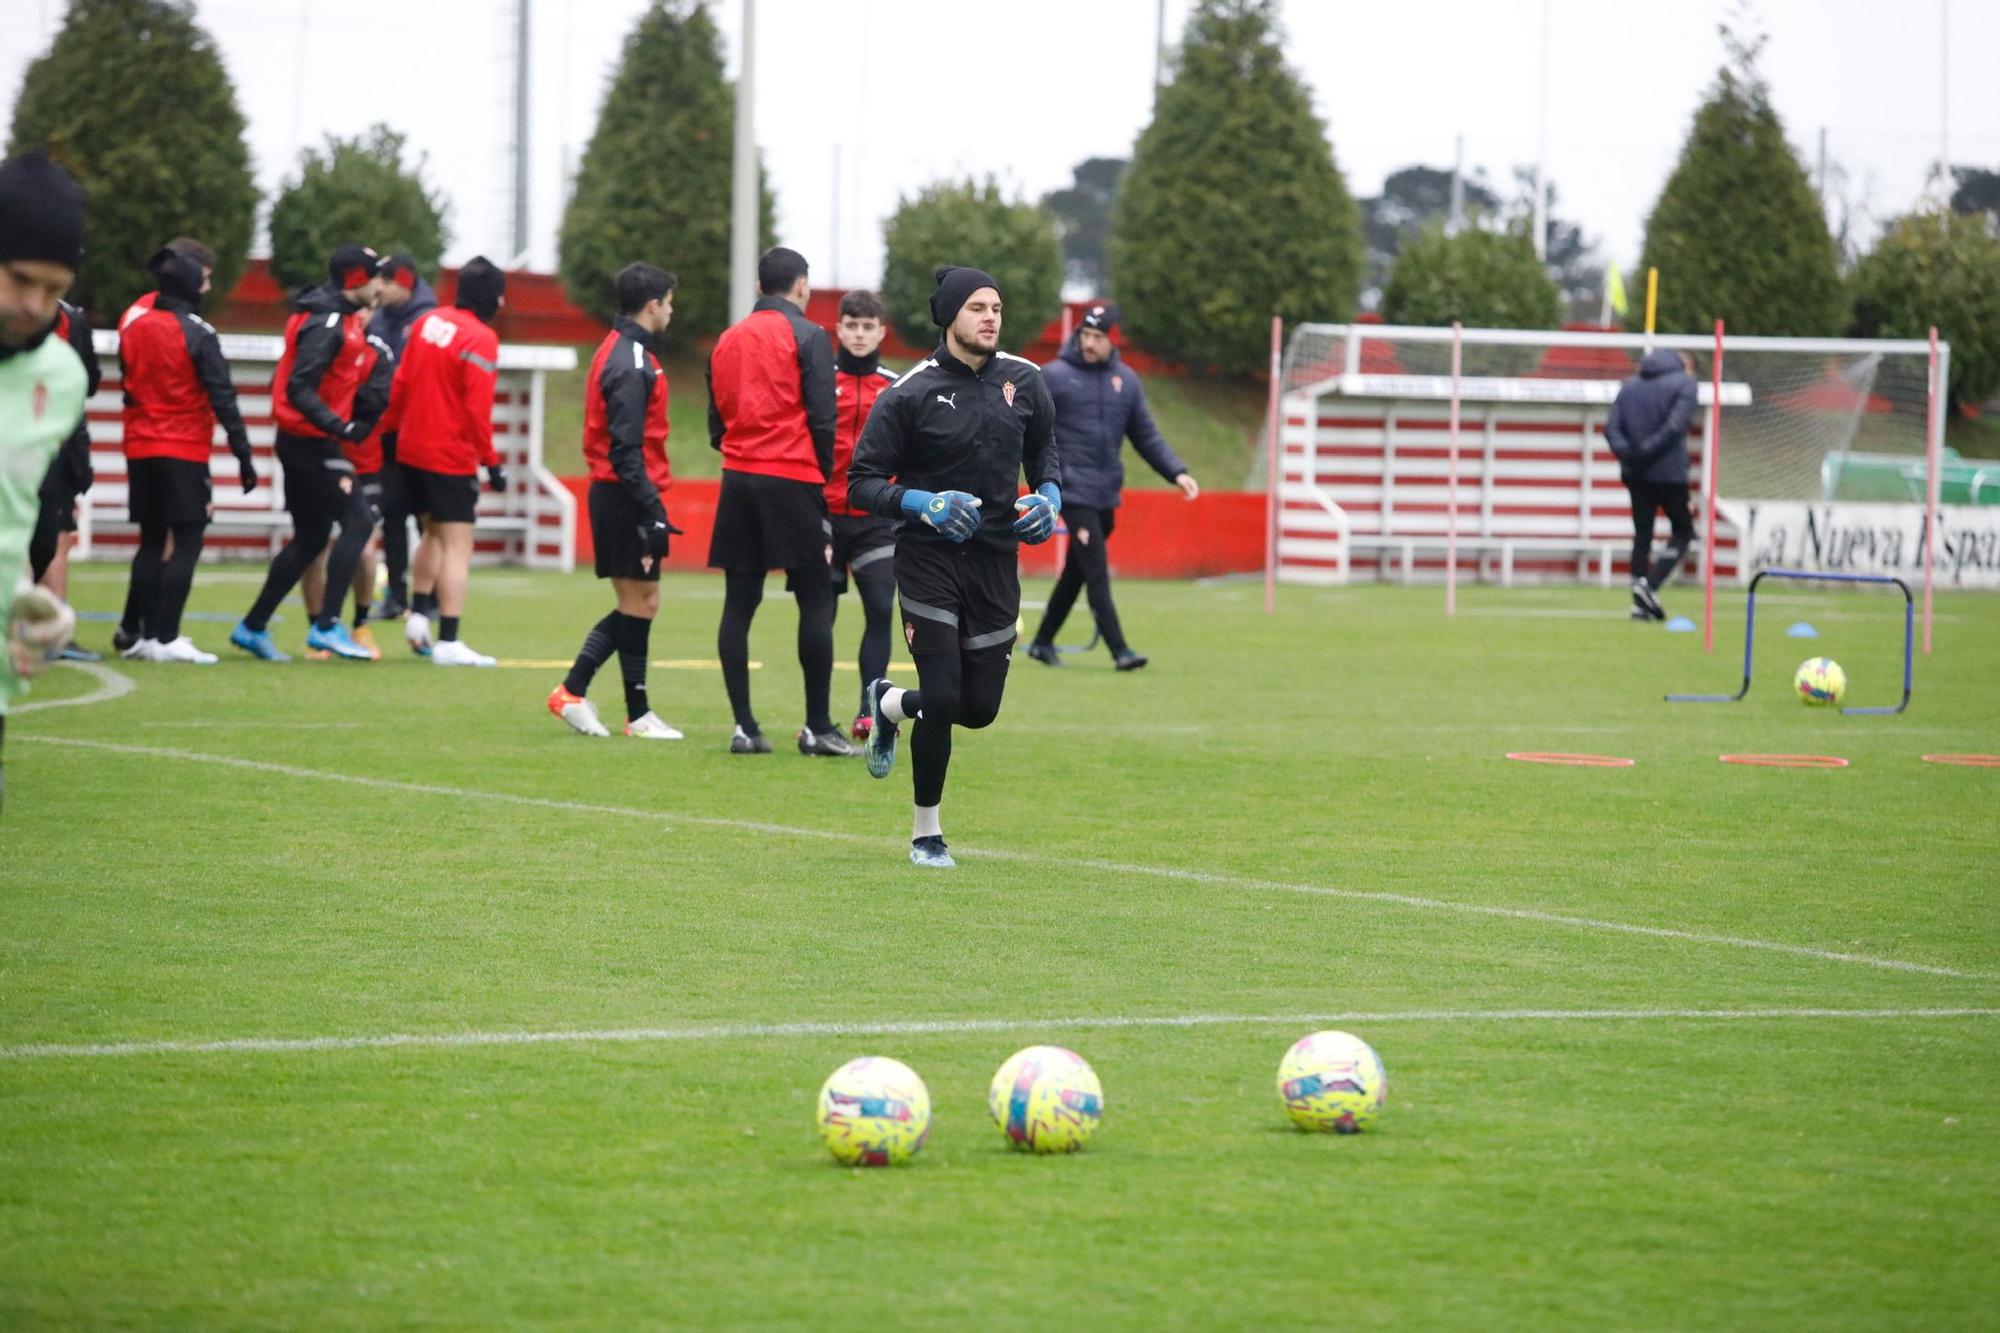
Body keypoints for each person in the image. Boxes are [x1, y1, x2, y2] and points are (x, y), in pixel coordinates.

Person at [847, 265, 1060, 868]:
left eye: (996, 307)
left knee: (979, 709)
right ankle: (926, 833)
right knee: (942, 695)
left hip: (996, 564)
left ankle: (888, 702)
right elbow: (862, 484)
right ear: (948, 317)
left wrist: (1049, 500)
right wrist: (925, 505)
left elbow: (1046, 454)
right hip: (927, 561)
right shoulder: (907, 393)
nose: (991, 317)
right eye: (977, 308)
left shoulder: (1027, 381)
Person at [705, 246, 844, 756]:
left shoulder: (727, 339)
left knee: (739, 604)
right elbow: (823, 416)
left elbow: (716, 418)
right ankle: (817, 727)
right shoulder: (809, 335)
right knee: (815, 597)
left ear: (761, 285)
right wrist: (820, 478)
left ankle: (745, 727)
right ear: (802, 285)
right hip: (792, 475)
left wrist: (739, 446)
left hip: (738, 476)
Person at [548, 262, 685, 740]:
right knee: (638, 601)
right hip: (624, 493)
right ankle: (592, 698)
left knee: (642, 601)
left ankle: (622, 707)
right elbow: (625, 449)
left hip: (622, 491)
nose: (672, 309)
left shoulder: (625, 350)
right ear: (653, 305)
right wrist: (652, 506)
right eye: (669, 301)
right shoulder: (631, 360)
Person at [230, 244, 385, 662]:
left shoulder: (340, 318)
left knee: (313, 536)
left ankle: (253, 626)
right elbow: (300, 388)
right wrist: (341, 427)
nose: (380, 284)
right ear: (356, 279)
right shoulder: (329, 321)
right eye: (375, 275)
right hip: (311, 442)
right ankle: (328, 626)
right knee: (359, 520)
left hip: (307, 439)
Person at [1025, 302, 1198, 671]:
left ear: (1112, 340)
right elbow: (1026, 428)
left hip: (1105, 493)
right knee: (1097, 570)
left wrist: (1176, 472)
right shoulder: (1053, 376)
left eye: (1098, 337)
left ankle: (1041, 642)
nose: (1089, 343)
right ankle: (1120, 650)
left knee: (1077, 571)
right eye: (1085, 335)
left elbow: (1146, 436)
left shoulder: (1127, 381)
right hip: (1071, 490)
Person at [114, 245, 258, 662]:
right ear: (192, 284)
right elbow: (223, 396)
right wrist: (244, 457)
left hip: (140, 445)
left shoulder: (135, 325)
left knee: (151, 540)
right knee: (189, 538)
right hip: (183, 448)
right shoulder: (198, 332)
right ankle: (167, 636)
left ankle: (141, 635)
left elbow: (127, 378)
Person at [0, 152, 91, 807]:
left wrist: (20, 598)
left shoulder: (62, 376)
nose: (34, 304)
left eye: (54, 289)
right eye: (19, 279)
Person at [385, 256, 507, 667]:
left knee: (431, 535)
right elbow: (477, 409)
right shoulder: (481, 338)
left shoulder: (426, 322)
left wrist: (390, 433)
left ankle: (418, 616)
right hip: (449, 455)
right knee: (457, 544)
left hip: (411, 450)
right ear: (492, 296)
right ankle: (450, 638)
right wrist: (491, 461)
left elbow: (400, 383)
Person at [815, 289, 900, 740]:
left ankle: (869, 711)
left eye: (868, 326)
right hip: (824, 515)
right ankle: (818, 715)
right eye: (852, 325)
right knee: (820, 616)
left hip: (875, 518)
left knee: (880, 608)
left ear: (881, 331)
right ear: (840, 329)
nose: (860, 334)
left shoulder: (895, 384)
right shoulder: (819, 380)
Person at [300, 322, 396, 658]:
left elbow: (381, 404)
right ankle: (318, 629)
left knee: (364, 548)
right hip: (321, 457)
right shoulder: (320, 344)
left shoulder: (377, 354)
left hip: (365, 464)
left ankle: (360, 624)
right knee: (313, 545)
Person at [28, 294, 99, 660]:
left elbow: (87, 382)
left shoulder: (70, 317)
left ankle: (49, 630)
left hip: (55, 444)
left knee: (49, 540)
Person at [366, 254, 437, 619]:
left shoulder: (429, 322)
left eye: (386, 280)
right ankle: (396, 595)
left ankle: (433, 598)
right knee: (392, 514)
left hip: (421, 433)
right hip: (388, 434)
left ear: (404, 282)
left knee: (429, 519)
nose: (379, 287)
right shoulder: (379, 318)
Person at [1606, 348, 1698, 621]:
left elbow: (1611, 428)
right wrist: (1646, 451)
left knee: (1642, 534)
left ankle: (1638, 603)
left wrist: (1629, 453)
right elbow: (1674, 427)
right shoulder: (1685, 384)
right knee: (1683, 531)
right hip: (1669, 473)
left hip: (1635, 472)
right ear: (1684, 365)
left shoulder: (1629, 386)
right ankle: (1650, 585)